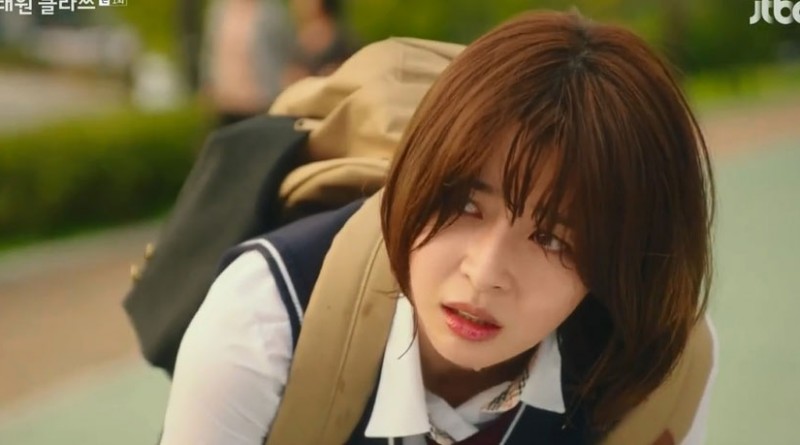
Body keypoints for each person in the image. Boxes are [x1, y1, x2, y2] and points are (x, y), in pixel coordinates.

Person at [159, 10, 716, 444]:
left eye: (552, 239)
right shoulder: (266, 321)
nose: (485, 272)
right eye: (465, 205)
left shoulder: (657, 360)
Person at [201, 0, 295, 127]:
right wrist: (208, 84)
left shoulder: (272, 11)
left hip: (260, 102)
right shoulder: (219, 9)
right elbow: (210, 50)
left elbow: (287, 51)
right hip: (226, 103)